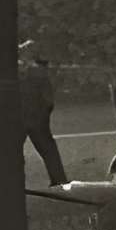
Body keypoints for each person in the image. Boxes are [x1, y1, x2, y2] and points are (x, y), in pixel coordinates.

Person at [18, 41, 68, 187]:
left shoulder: (15, 71)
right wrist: (44, 115)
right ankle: (59, 180)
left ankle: (16, 181)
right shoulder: (40, 72)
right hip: (37, 118)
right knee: (49, 150)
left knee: (14, 152)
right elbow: (48, 100)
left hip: (18, 117)